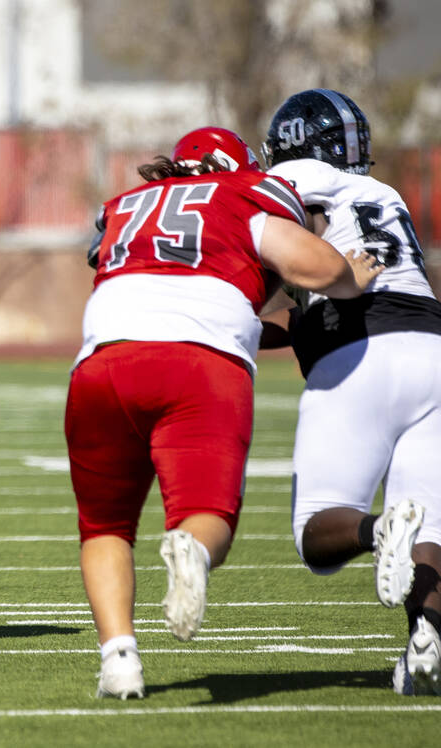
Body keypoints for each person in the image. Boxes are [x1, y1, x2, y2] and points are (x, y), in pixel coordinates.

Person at [68, 126, 384, 699]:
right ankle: (191, 549)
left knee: (106, 525)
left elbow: (162, 281)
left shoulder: (127, 206)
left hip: (102, 361)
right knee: (206, 513)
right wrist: (350, 276)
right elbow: (311, 265)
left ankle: (119, 660)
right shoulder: (243, 194)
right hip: (199, 365)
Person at [262, 89, 441, 696]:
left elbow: (291, 254)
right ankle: (428, 644)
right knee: (431, 530)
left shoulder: (293, 181)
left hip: (362, 352)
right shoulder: (383, 195)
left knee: (318, 535)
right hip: (433, 347)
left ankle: (376, 531)